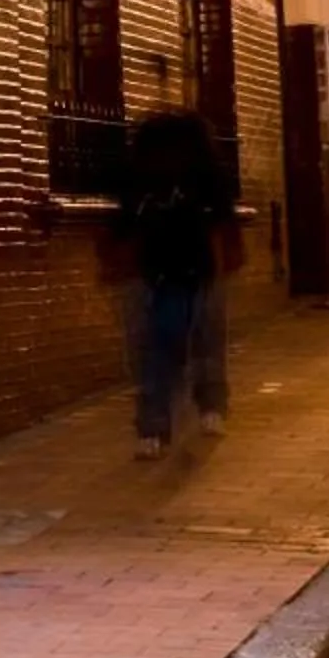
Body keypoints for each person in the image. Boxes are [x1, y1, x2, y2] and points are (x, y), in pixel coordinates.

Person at [113, 106, 238, 455]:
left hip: (164, 270)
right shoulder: (204, 178)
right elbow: (222, 221)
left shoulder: (145, 180)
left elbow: (125, 224)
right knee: (204, 341)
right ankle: (206, 407)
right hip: (188, 270)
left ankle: (156, 425)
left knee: (159, 347)